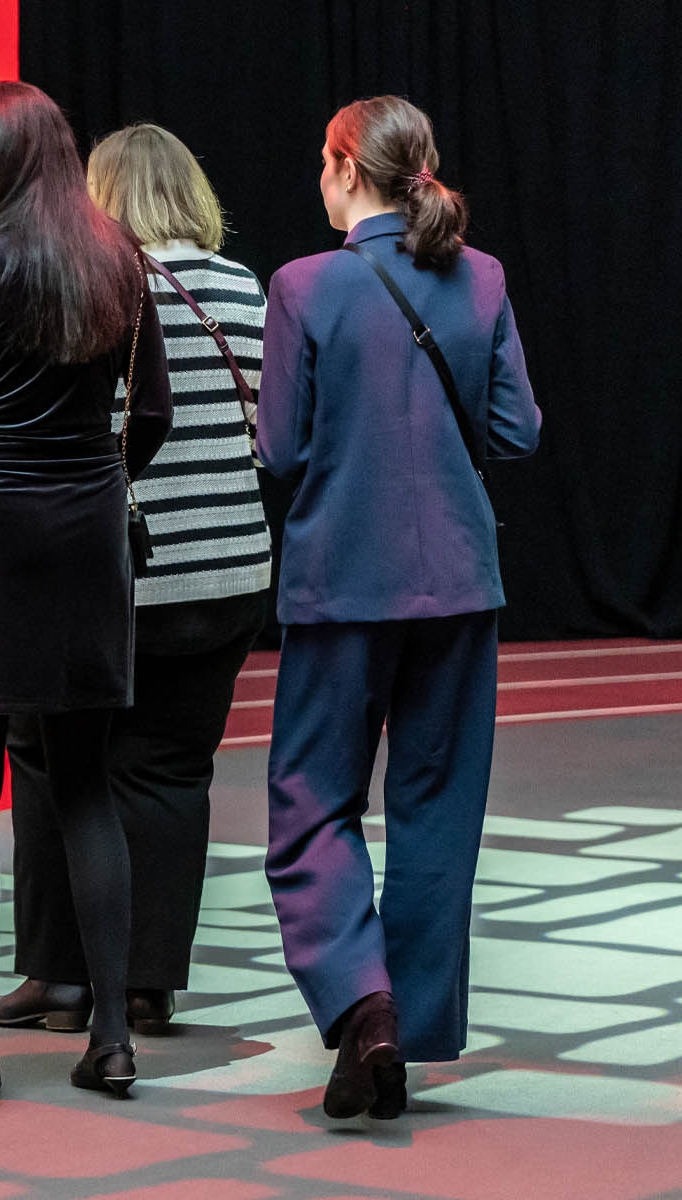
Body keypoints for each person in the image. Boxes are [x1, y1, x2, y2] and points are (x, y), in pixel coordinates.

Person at [258, 95, 540, 1121]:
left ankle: (359, 1005)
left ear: (343, 167)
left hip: (341, 583)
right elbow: (516, 433)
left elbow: (280, 452)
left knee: (308, 803)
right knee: (435, 813)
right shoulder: (483, 277)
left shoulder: (300, 286)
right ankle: (395, 1030)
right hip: (460, 582)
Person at [0, 123, 272, 1037]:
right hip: (227, 571)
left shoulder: (93, 287)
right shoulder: (244, 288)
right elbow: (269, 427)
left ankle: (60, 975)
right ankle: (149, 983)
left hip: (117, 569)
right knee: (173, 772)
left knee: (46, 757)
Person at [0, 81, 171, 1104]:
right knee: (83, 788)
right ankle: (111, 1038)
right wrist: (88, 476)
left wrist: (4, 464)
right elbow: (145, 414)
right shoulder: (119, 264)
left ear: (8, 160)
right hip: (83, 542)